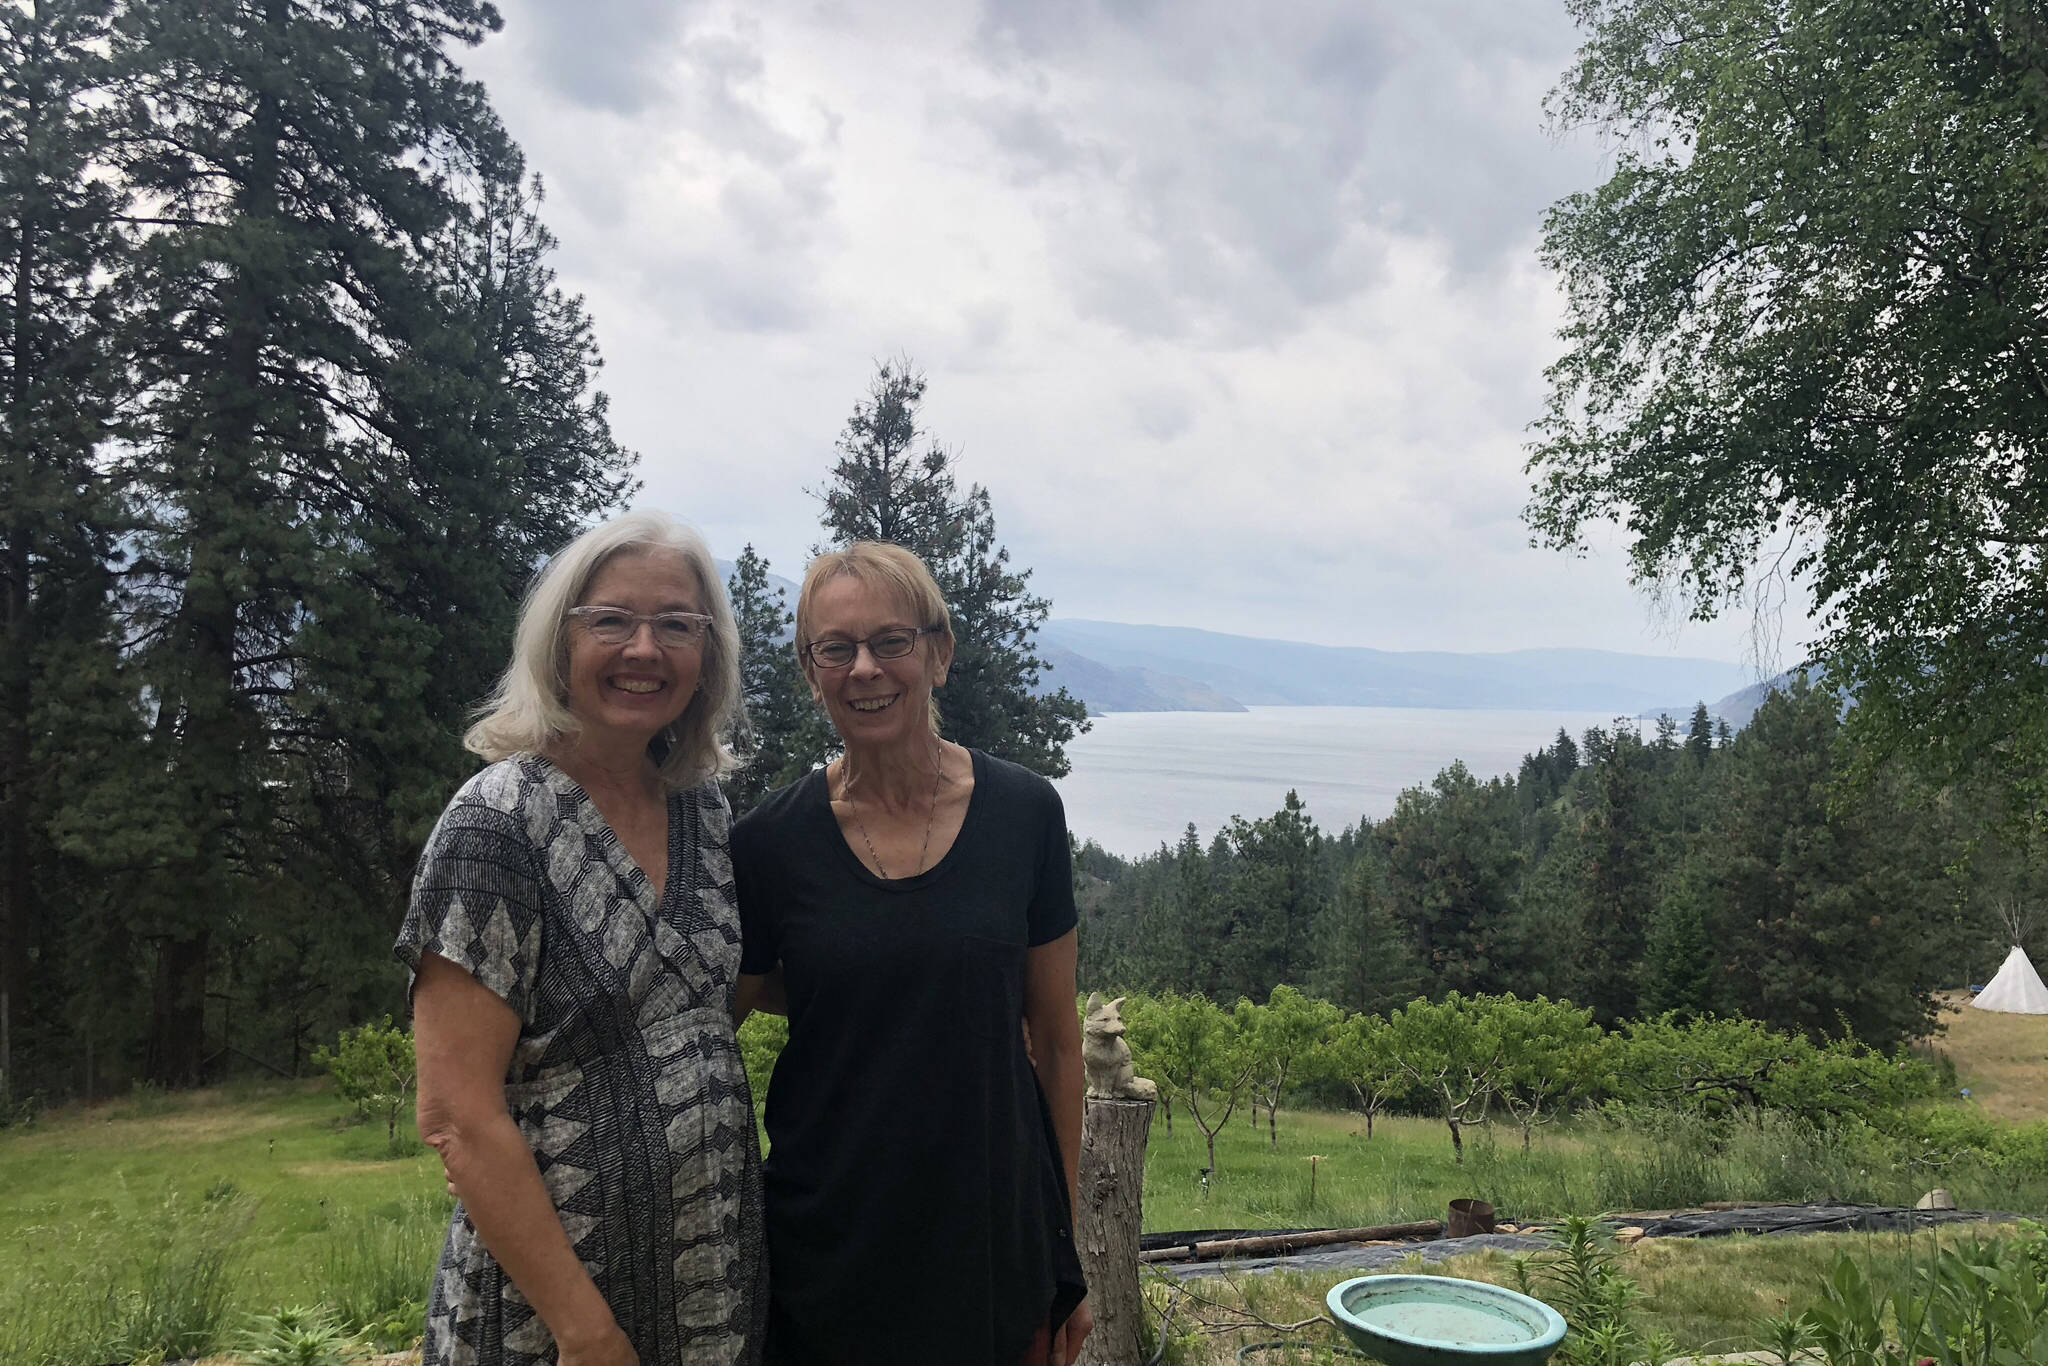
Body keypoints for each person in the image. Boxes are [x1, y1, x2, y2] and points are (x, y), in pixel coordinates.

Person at [398, 510, 767, 1366]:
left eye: (677, 624)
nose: (646, 649)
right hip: (555, 1319)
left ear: (707, 653)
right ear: (559, 642)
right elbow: (457, 1115)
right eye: (611, 620)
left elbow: (707, 1005)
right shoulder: (496, 826)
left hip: (712, 1295)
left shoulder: (701, 809)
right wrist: (585, 1331)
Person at [730, 541, 1092, 1366]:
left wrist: (1061, 1251)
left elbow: (1059, 1044)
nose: (865, 669)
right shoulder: (769, 844)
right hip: (828, 1248)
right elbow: (720, 1013)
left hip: (992, 1244)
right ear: (809, 668)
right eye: (837, 648)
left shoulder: (1025, 814)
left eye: (891, 641)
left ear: (939, 654)